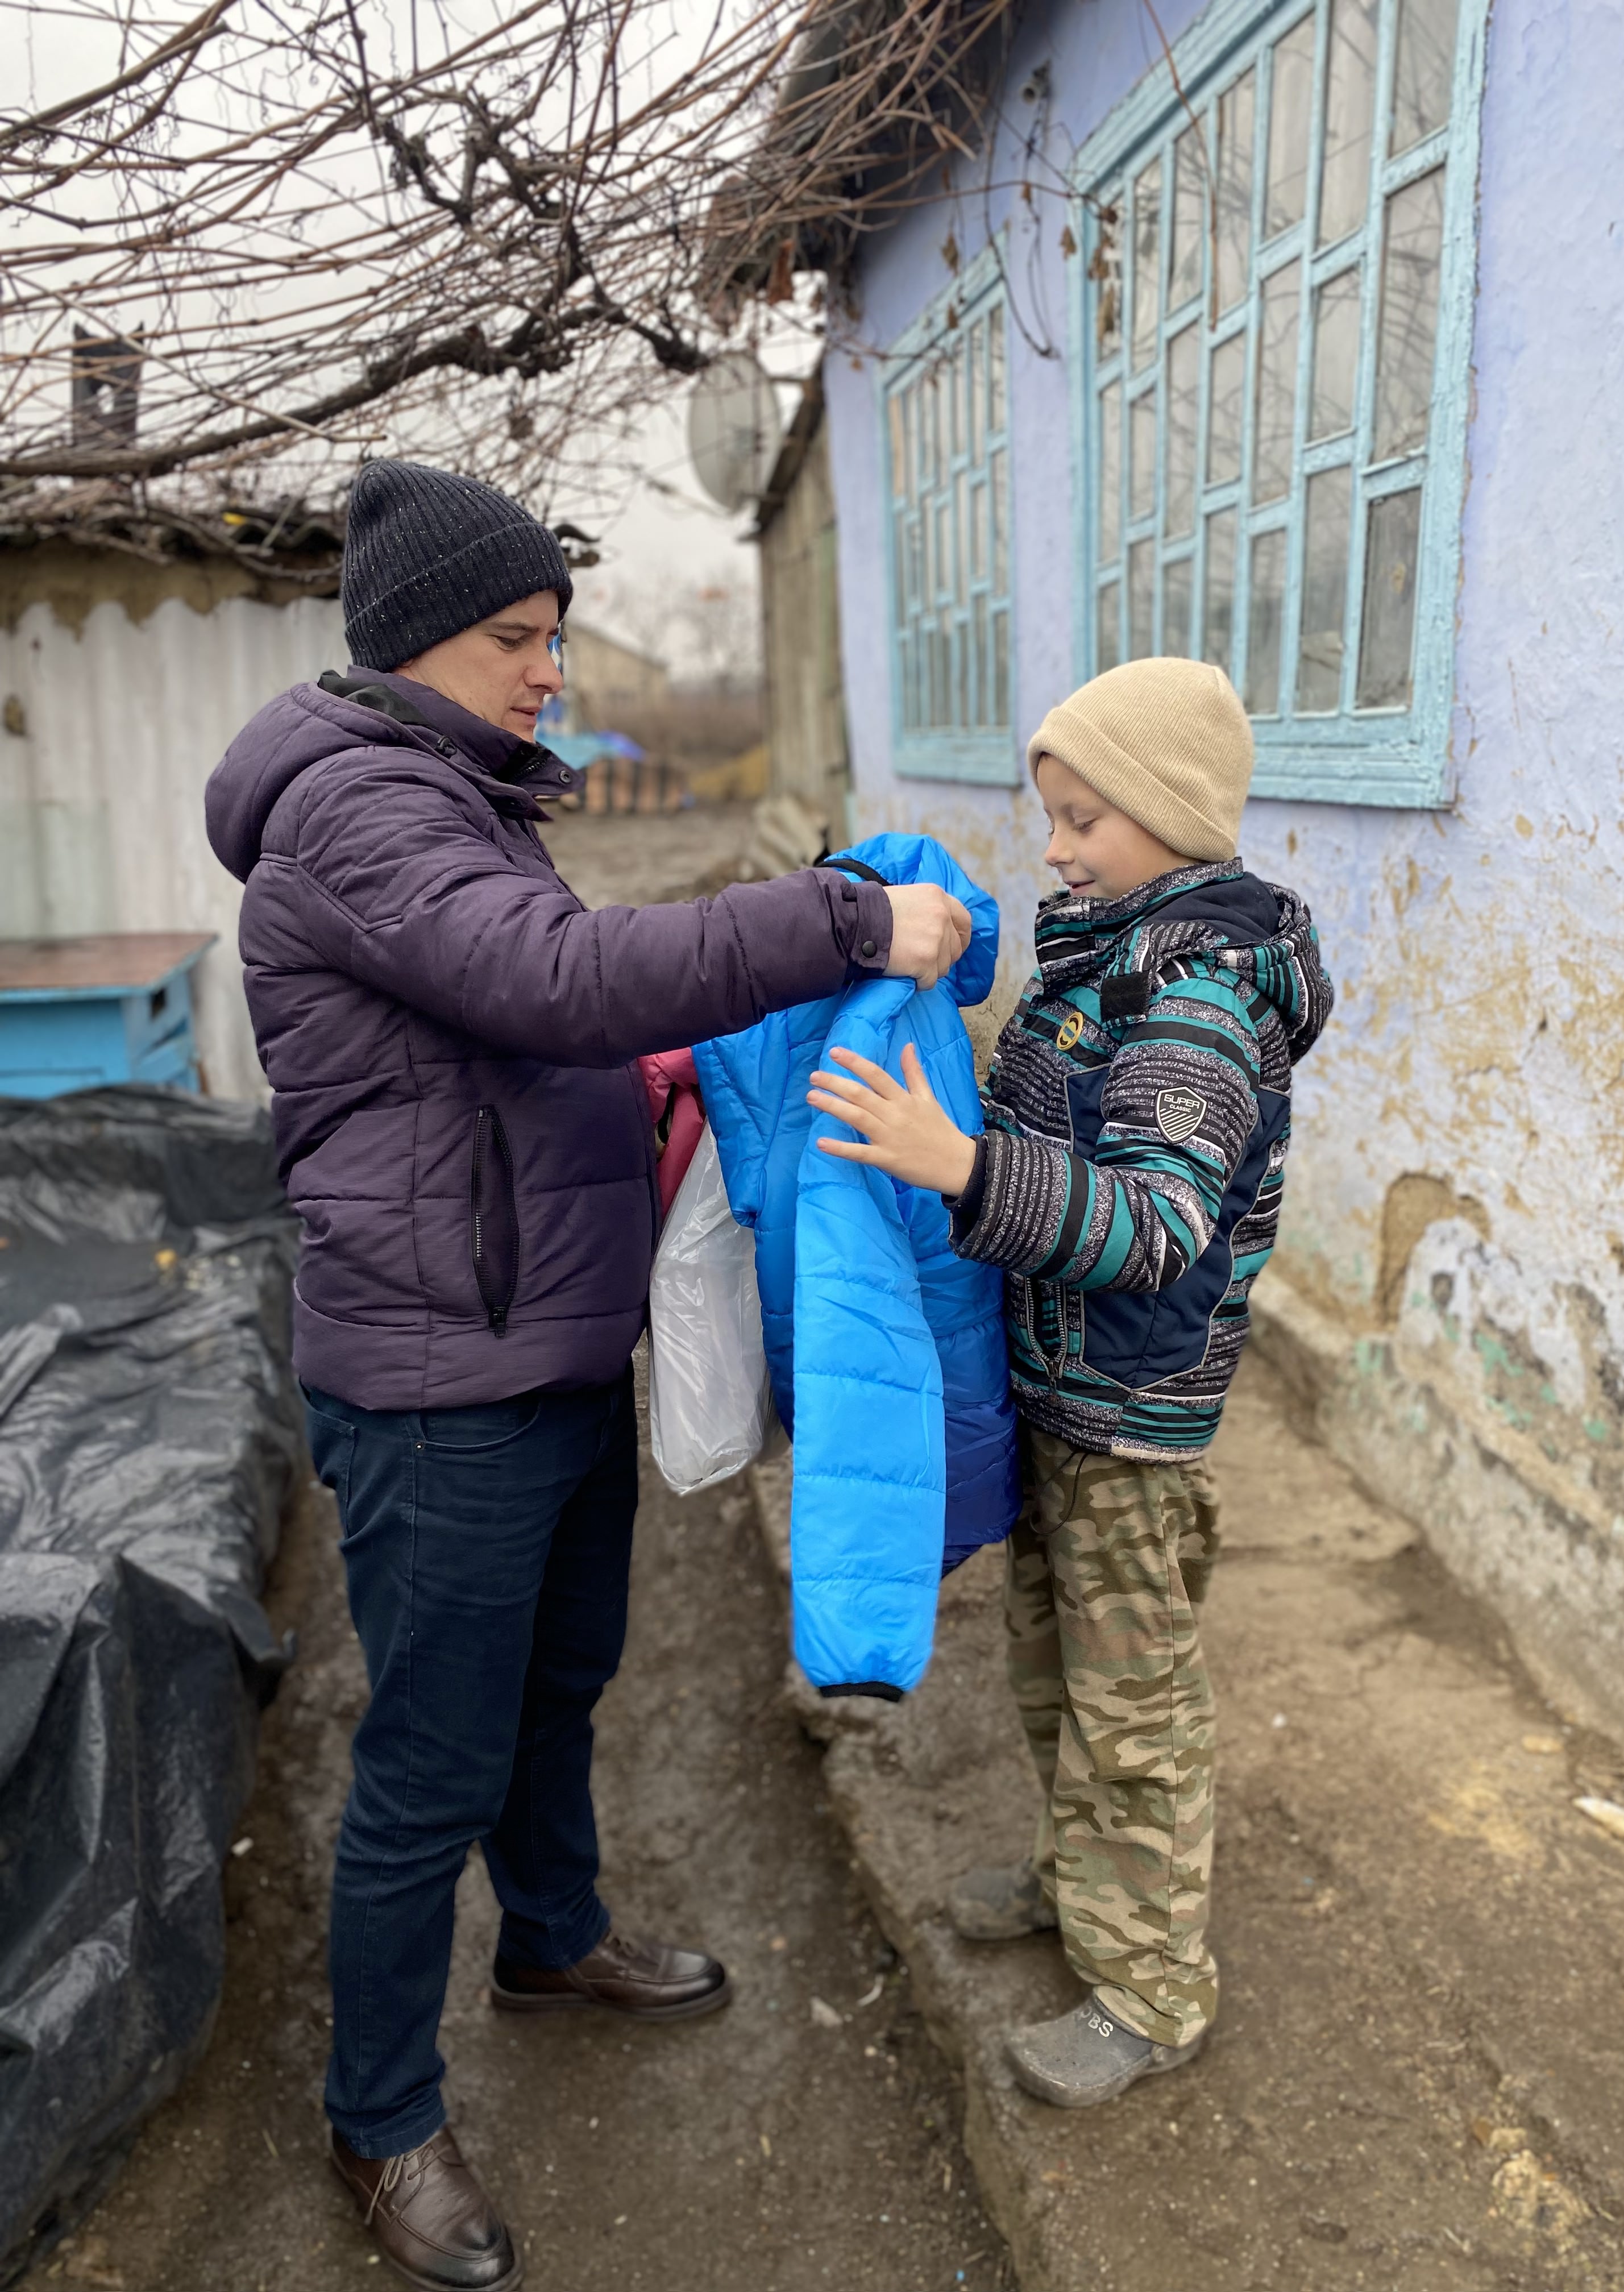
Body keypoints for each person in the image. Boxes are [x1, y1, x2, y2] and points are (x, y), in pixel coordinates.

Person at [205, 458, 971, 2290]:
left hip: (544, 1342)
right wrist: (845, 923)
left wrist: (656, 1099)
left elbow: (508, 1048)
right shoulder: (362, 813)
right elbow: (555, 980)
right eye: (518, 637)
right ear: (415, 643)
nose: (554, 670)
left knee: (564, 1680)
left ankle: (554, 1941)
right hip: (436, 1379)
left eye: (556, 632)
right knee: (425, 1767)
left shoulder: (458, 790)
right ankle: (378, 2115)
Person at [805, 657, 1331, 2110]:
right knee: (1053, 1672)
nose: (1055, 847)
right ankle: (1080, 1882)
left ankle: (1153, 1989)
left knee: (1134, 1706)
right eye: (1053, 815)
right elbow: (1055, 1117)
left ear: (1170, 814)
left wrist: (957, 1167)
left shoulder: (1205, 996)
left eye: (1086, 817)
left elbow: (1156, 1225)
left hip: (1131, 1420)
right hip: (1062, 1393)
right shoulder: (1108, 951)